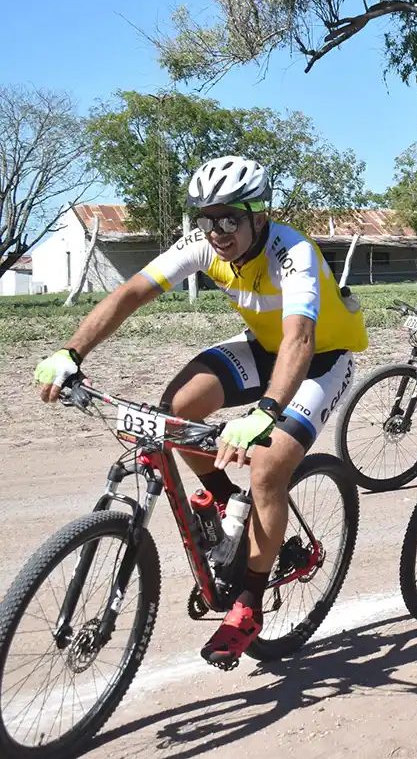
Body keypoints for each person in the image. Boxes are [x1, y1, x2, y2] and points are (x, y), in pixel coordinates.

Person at [32, 155, 368, 670]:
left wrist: (266, 411)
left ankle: (249, 605)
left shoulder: (292, 251)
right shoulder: (201, 245)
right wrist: (71, 353)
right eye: (206, 219)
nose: (216, 231)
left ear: (259, 216)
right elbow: (131, 292)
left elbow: (300, 339)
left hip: (320, 359)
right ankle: (227, 500)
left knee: (268, 463)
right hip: (263, 347)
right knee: (175, 411)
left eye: (229, 218)